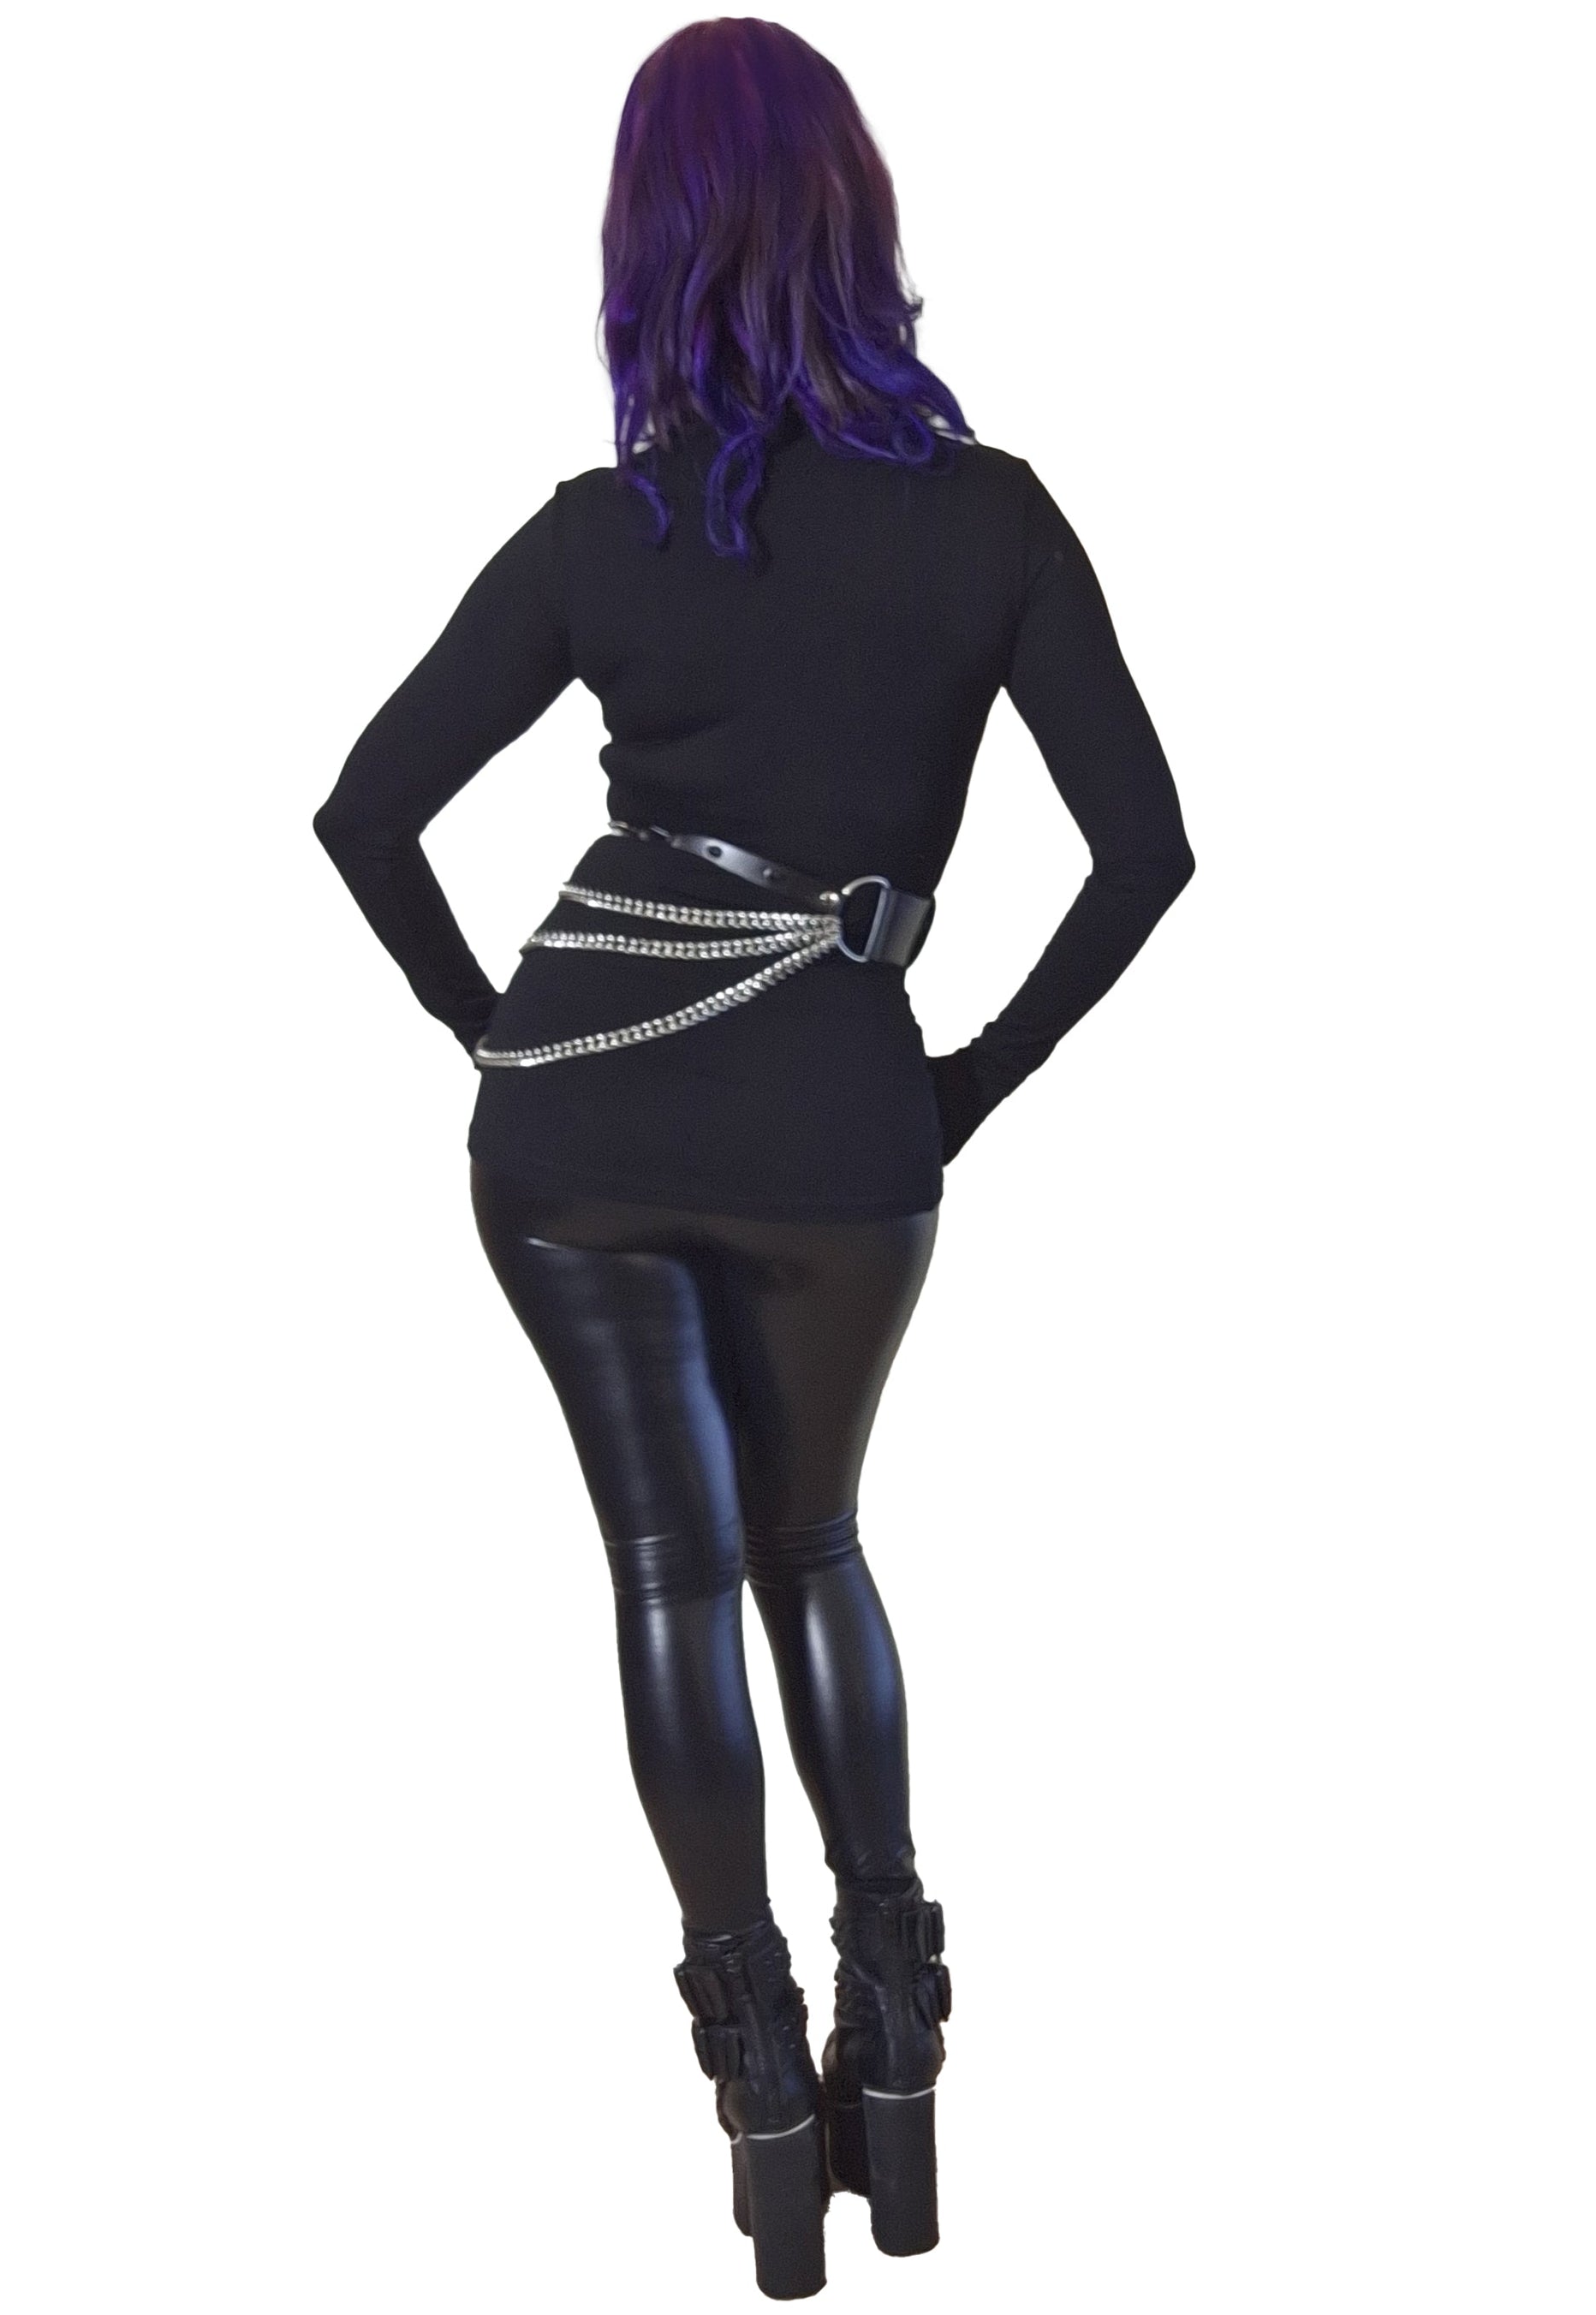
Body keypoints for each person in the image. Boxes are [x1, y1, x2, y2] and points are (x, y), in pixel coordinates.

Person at [313, 18, 1195, 2300]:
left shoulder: (601, 531)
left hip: (572, 1130)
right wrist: (959, 1082)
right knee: (813, 1546)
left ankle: (763, 2110)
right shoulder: (992, 520)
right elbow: (1147, 855)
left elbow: (365, 815)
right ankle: (902, 2067)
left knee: (668, 1578)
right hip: (839, 1132)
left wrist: (490, 1026)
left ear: (644, 246)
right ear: (857, 220)